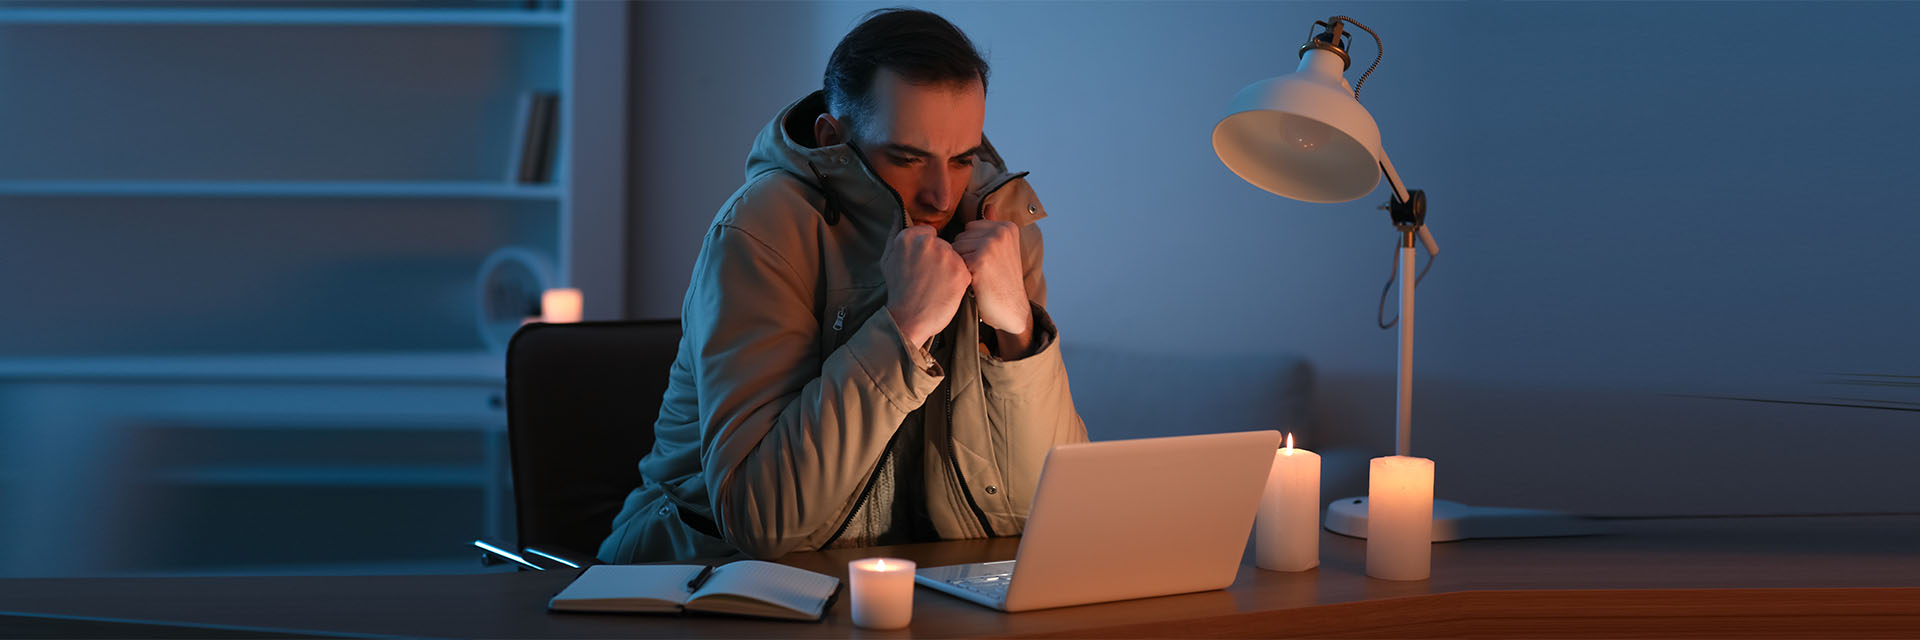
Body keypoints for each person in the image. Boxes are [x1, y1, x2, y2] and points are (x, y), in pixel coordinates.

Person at [599, 8, 1086, 563]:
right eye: (907, 158)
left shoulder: (996, 230)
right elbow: (764, 524)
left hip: (907, 585)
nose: (940, 196)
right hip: (701, 581)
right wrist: (901, 331)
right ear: (833, 138)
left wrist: (1018, 335)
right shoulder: (761, 229)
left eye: (962, 160)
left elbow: (1047, 512)